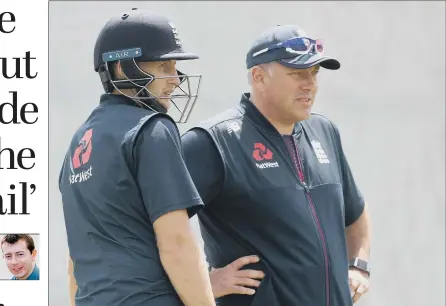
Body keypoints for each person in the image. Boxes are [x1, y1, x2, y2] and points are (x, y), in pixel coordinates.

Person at [181, 25, 372, 306]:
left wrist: (358, 266)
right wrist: (202, 284)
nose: (310, 84)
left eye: (314, 73)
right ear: (258, 77)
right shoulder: (213, 141)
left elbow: (356, 213)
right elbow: (145, 227)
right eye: (297, 74)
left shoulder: (325, 131)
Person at [58, 8, 216, 306]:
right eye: (163, 65)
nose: (176, 79)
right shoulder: (151, 129)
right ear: (121, 68)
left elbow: (75, 262)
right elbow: (177, 244)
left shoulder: (78, 141)